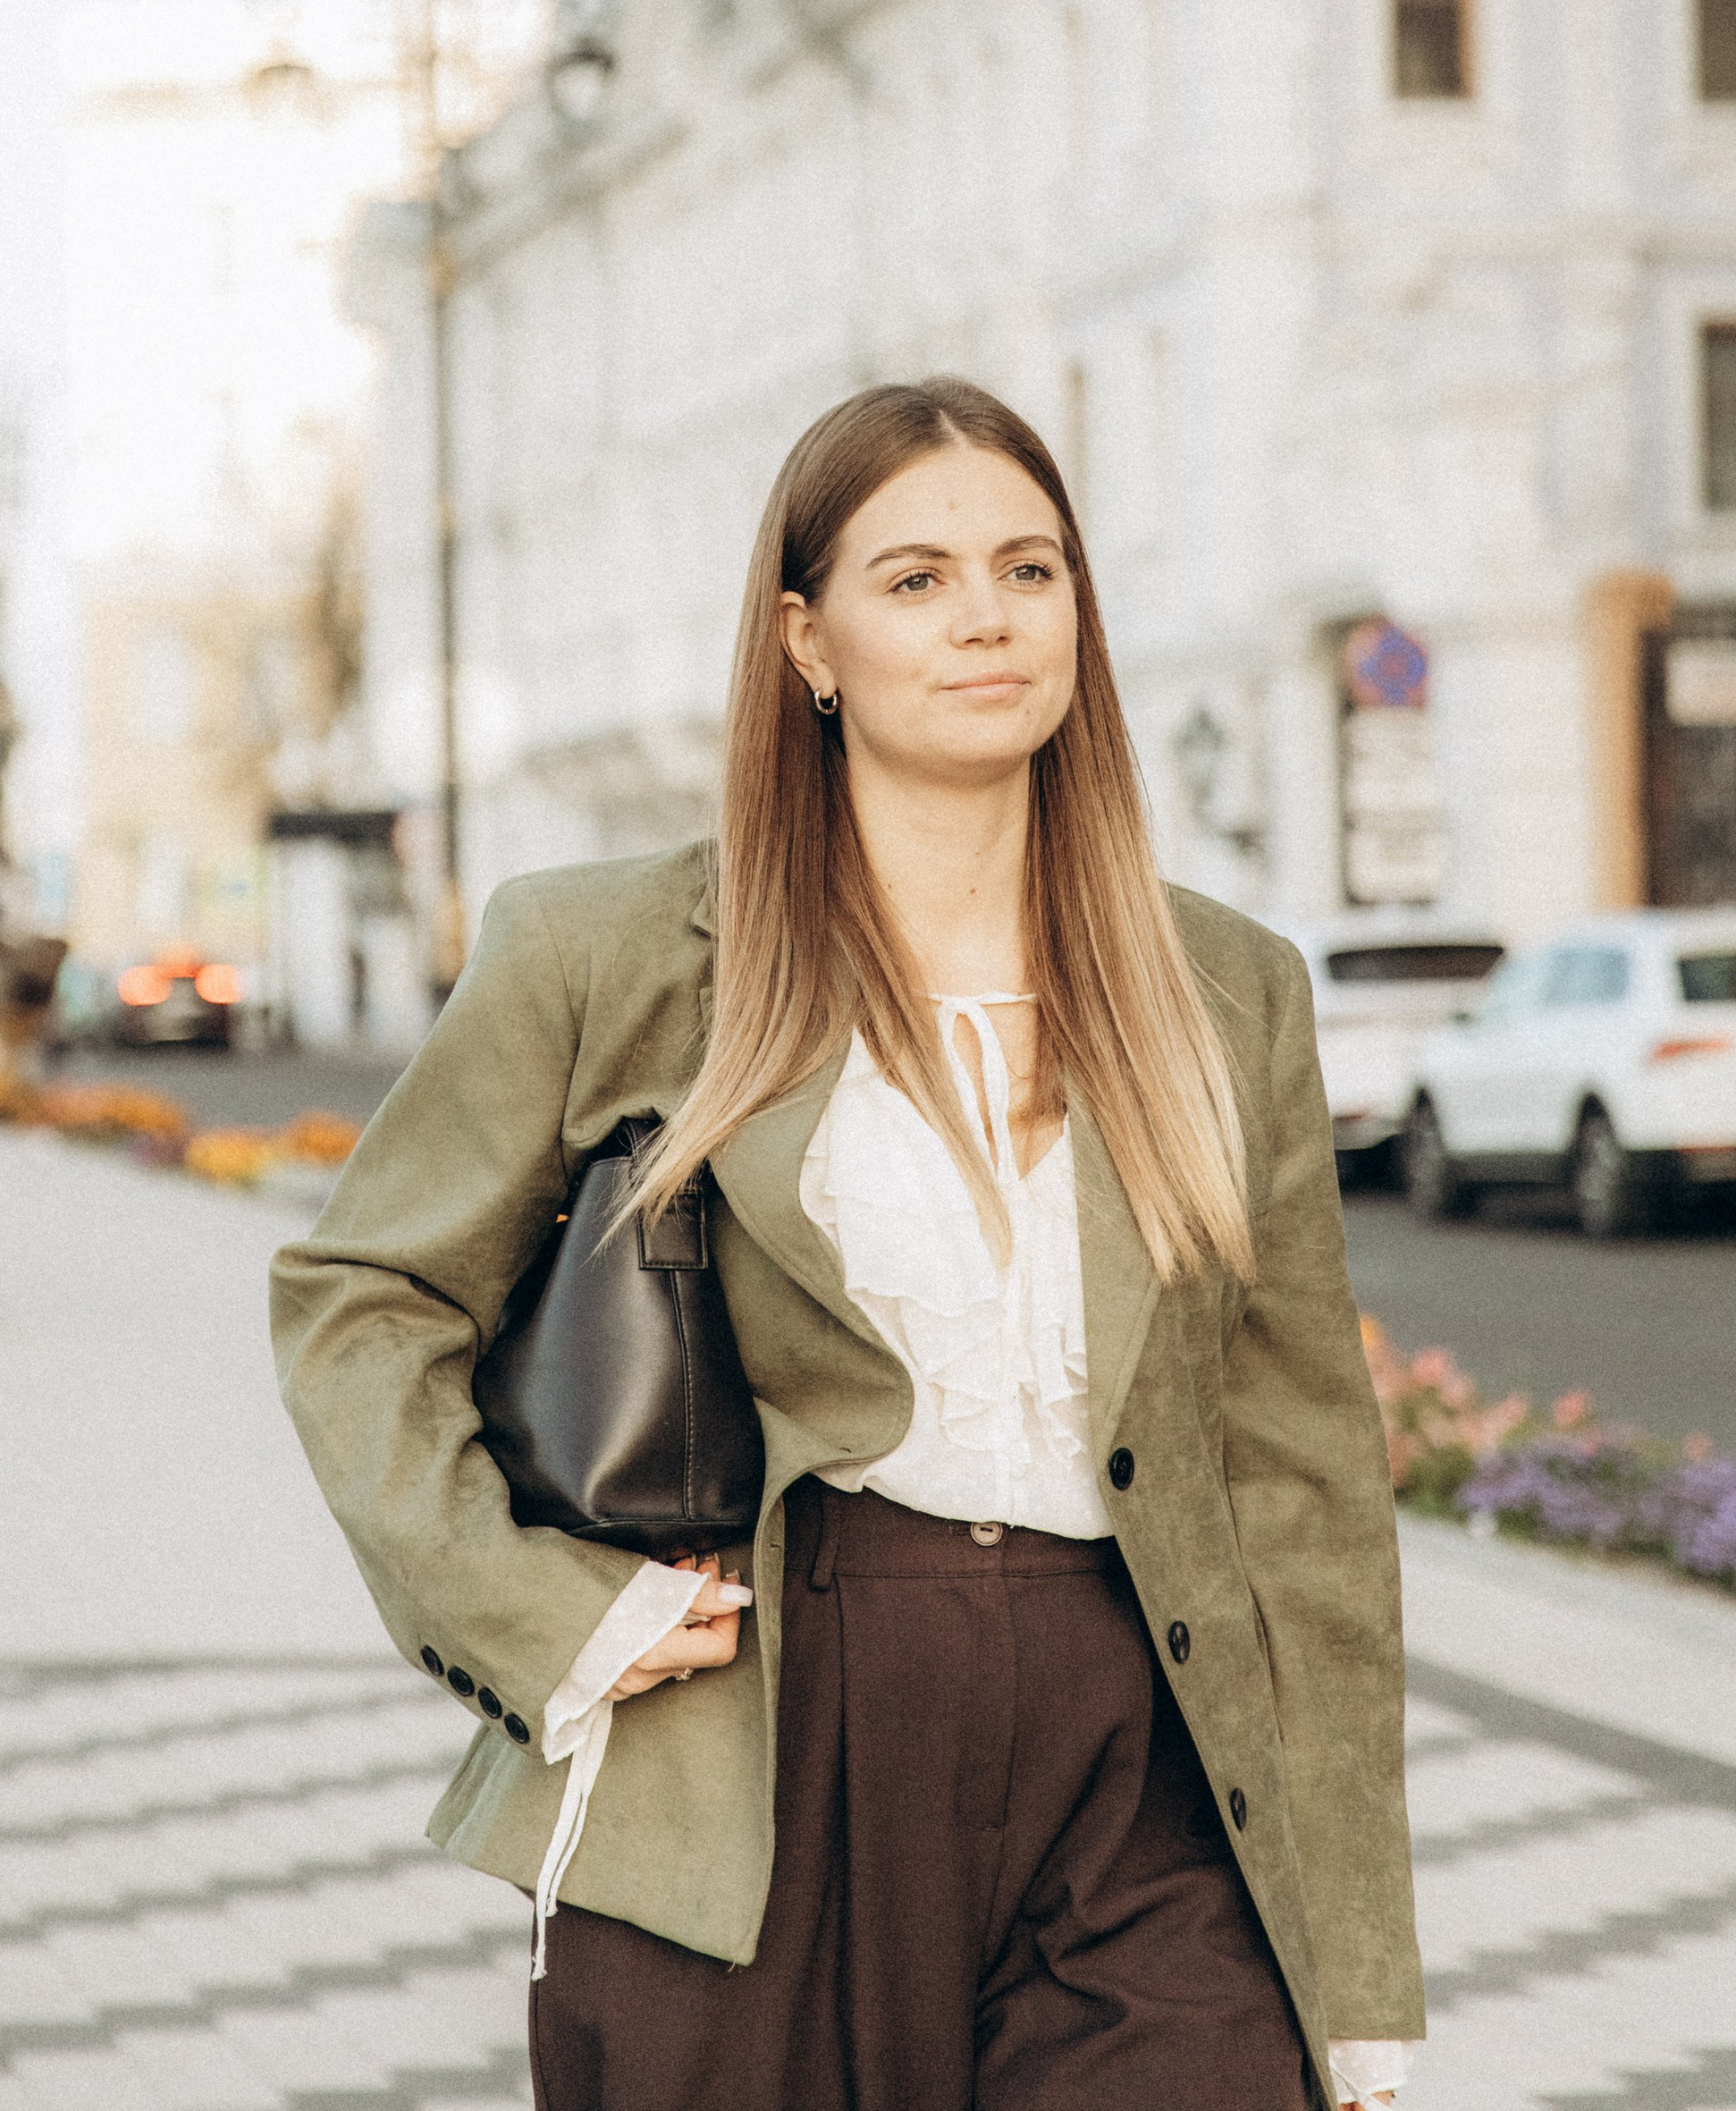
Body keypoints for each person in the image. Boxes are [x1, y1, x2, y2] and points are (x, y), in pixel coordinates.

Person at [273, 379, 1421, 2110]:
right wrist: (537, 1615)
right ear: (806, 641)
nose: (984, 616)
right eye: (916, 578)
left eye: (1028, 570)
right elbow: (359, 1301)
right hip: (761, 1737)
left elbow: (1302, 1486)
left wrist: (1351, 1971)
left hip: (1141, 1760)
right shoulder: (615, 954)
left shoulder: (1219, 988)